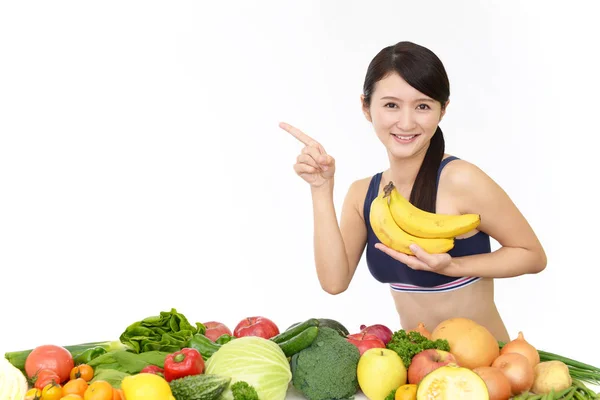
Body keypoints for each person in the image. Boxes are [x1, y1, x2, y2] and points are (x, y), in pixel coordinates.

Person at [279, 41, 547, 342]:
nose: (406, 123)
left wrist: (454, 266)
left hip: (488, 369)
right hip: (418, 372)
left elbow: (532, 255)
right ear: (366, 107)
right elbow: (334, 282)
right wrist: (321, 188)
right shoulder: (363, 195)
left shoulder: (461, 180)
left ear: (442, 110)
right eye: (391, 105)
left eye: (422, 106)